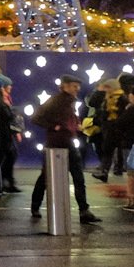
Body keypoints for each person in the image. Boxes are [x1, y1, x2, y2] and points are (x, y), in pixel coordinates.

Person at [30, 73, 100, 224]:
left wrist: (75, 126)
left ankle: (83, 209)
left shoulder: (68, 102)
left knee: (73, 176)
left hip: (64, 142)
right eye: (74, 86)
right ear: (65, 86)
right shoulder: (56, 101)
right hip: (56, 144)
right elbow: (36, 117)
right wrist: (54, 126)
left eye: (78, 86)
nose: (77, 89)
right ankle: (82, 210)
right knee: (50, 176)